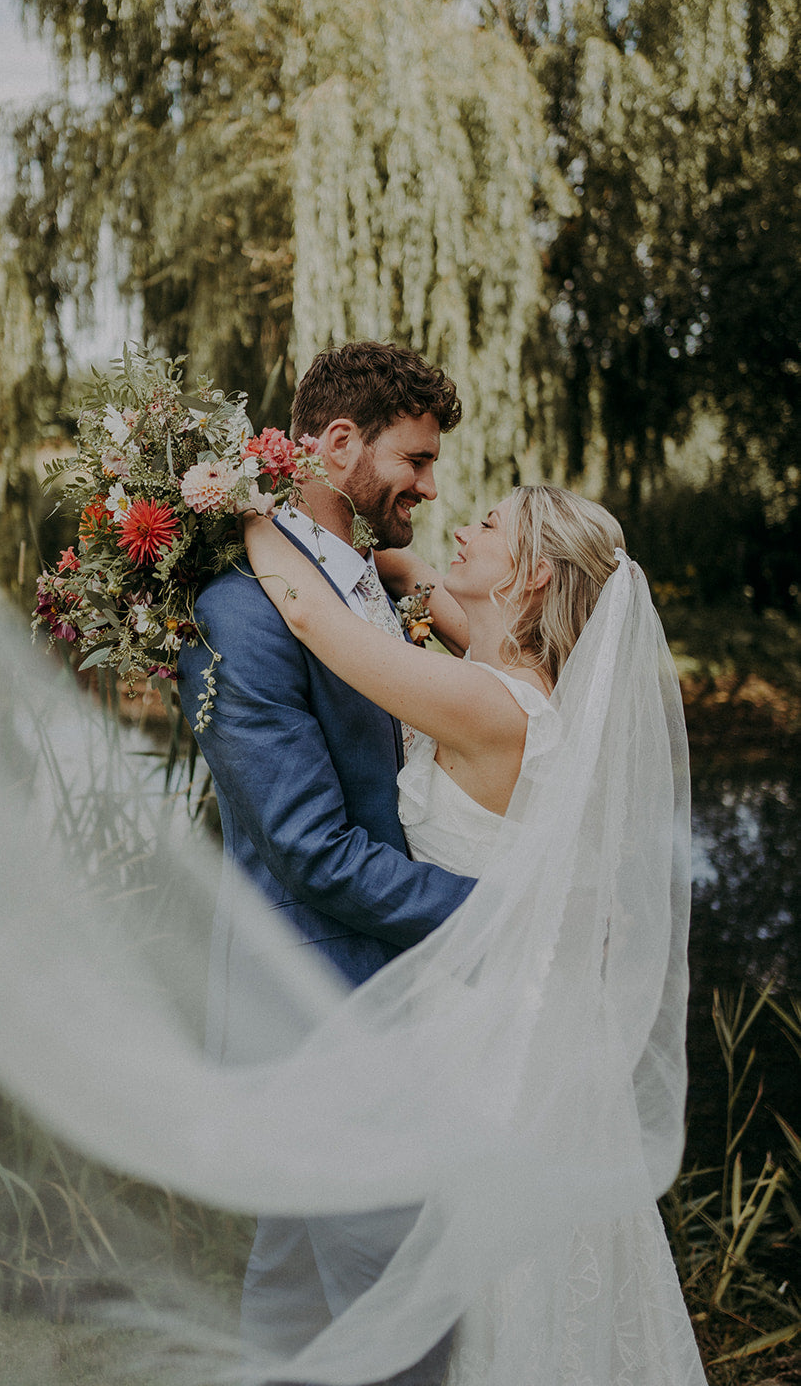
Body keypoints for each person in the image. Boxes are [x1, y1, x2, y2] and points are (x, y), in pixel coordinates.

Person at [241, 484, 707, 1386]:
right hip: (530, 1019)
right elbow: (414, 571)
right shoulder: (510, 671)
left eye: (488, 524)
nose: (462, 522)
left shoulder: (484, 704)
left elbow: (306, 617)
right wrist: (367, 548)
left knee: (488, 1281)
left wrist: (241, 504)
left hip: (484, 1039)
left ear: (530, 576)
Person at [177, 341, 474, 1385]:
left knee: (293, 1306)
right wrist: (495, 910)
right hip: (320, 1022)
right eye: (416, 460)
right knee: (406, 1322)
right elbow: (312, 848)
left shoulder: (353, 582)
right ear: (338, 441)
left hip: (362, 1008)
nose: (430, 489)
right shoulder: (242, 614)